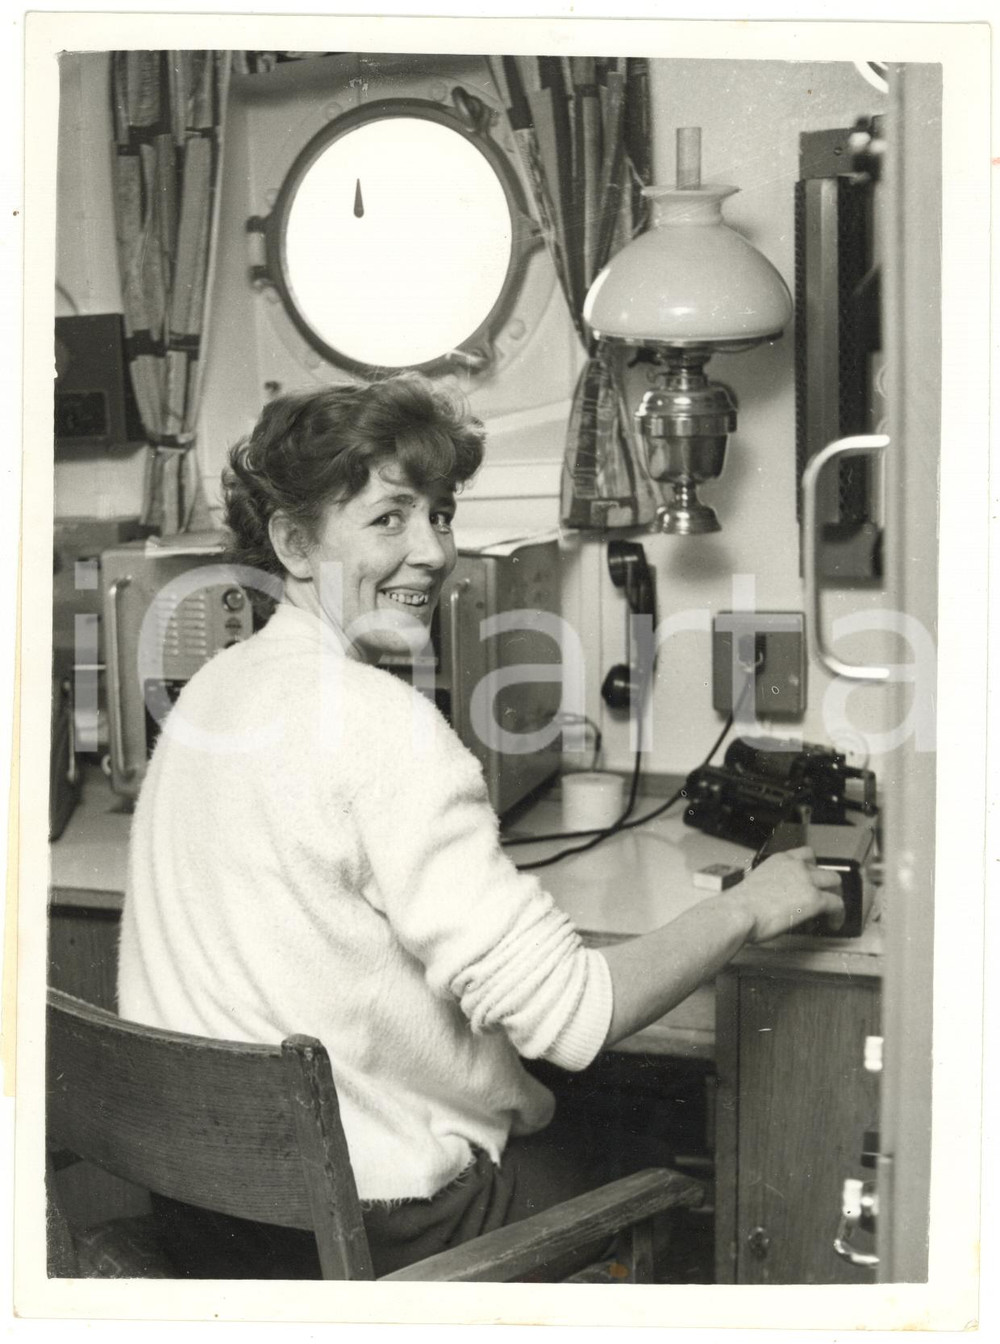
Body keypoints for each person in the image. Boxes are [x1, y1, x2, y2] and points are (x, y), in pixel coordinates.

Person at [118, 374, 843, 1280]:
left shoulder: (213, 692)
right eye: (389, 519)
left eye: (442, 514)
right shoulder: (377, 721)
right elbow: (571, 1014)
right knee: (678, 1157)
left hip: (212, 1220)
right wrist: (749, 907)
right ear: (295, 544)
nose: (431, 552)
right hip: (379, 1231)